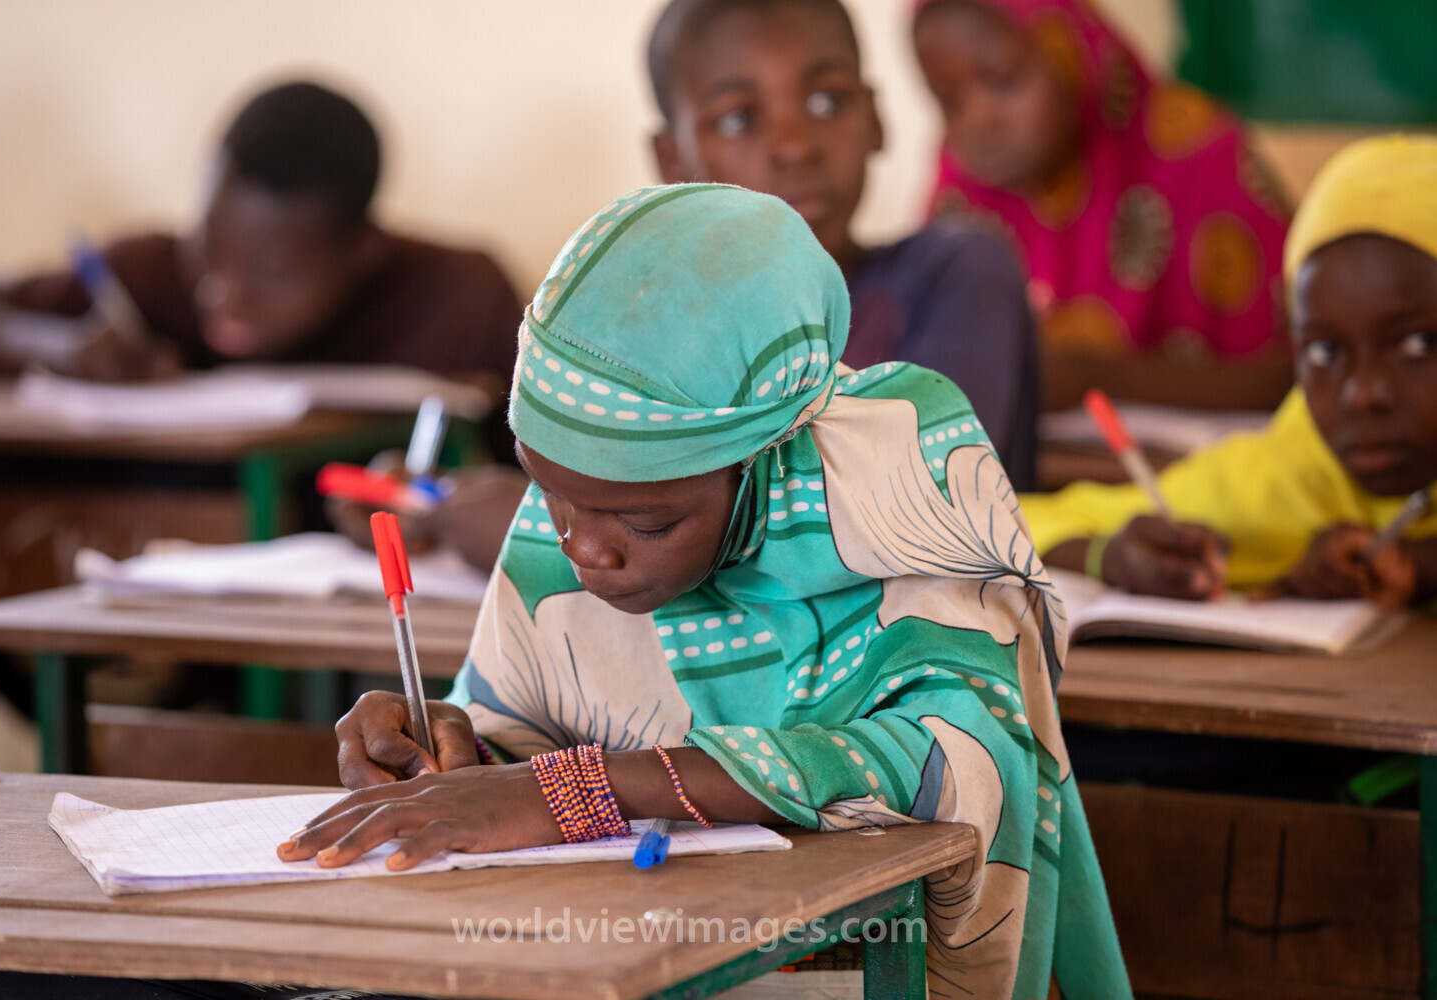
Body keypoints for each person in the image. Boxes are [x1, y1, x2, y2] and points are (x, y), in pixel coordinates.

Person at [289, 184, 1130, 998]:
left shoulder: (900, 501)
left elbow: (948, 764)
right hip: (614, 954)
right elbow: (516, 752)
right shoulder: (585, 504)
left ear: (763, 463)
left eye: (645, 523)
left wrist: (576, 792)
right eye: (547, 492)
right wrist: (450, 743)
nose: (580, 546)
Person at [1020, 134, 1437, 607]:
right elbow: (1002, 521)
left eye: (1419, 344)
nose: (1362, 394)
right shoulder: (1290, 478)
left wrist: (1421, 562)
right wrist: (1107, 558)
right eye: (1324, 352)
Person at [0, 80, 521, 410]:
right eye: (209, 247)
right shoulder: (145, 277)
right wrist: (64, 348)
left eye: (272, 272)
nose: (222, 292)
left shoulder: (459, 301)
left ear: (364, 250)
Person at [648, 0, 1041, 489]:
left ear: (875, 118)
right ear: (673, 163)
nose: (796, 147)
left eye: (826, 102)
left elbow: (922, 491)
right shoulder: (662, 342)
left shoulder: (959, 271)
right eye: (739, 120)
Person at [912, 0, 1294, 412]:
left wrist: (1098, 377)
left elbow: (1295, 377)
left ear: (1069, 51)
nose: (978, 119)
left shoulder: (1201, 160)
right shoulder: (962, 196)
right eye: (948, 101)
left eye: (1004, 82)